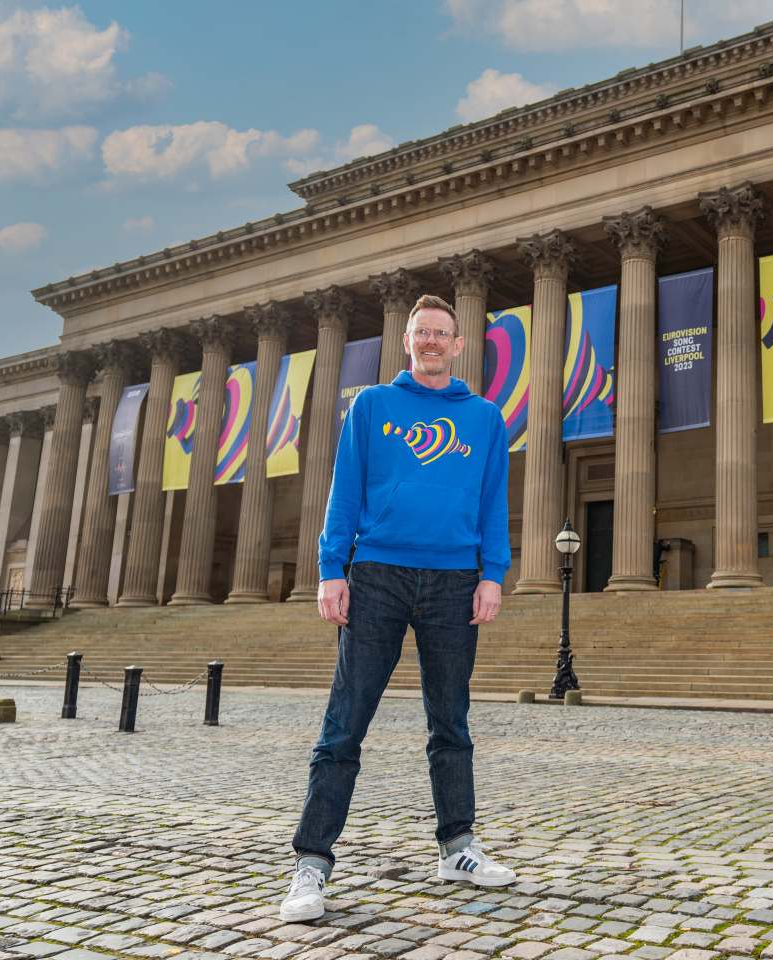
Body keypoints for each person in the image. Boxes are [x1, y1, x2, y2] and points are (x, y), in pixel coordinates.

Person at [280, 294, 514, 922]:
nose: (432, 341)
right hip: (377, 573)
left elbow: (494, 502)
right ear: (407, 342)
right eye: (421, 333)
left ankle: (457, 847)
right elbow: (344, 491)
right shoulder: (372, 406)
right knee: (344, 724)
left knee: (451, 724)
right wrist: (333, 570)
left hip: (454, 580)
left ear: (459, 345)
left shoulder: (486, 417)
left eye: (442, 333)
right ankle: (311, 864)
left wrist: (493, 575)